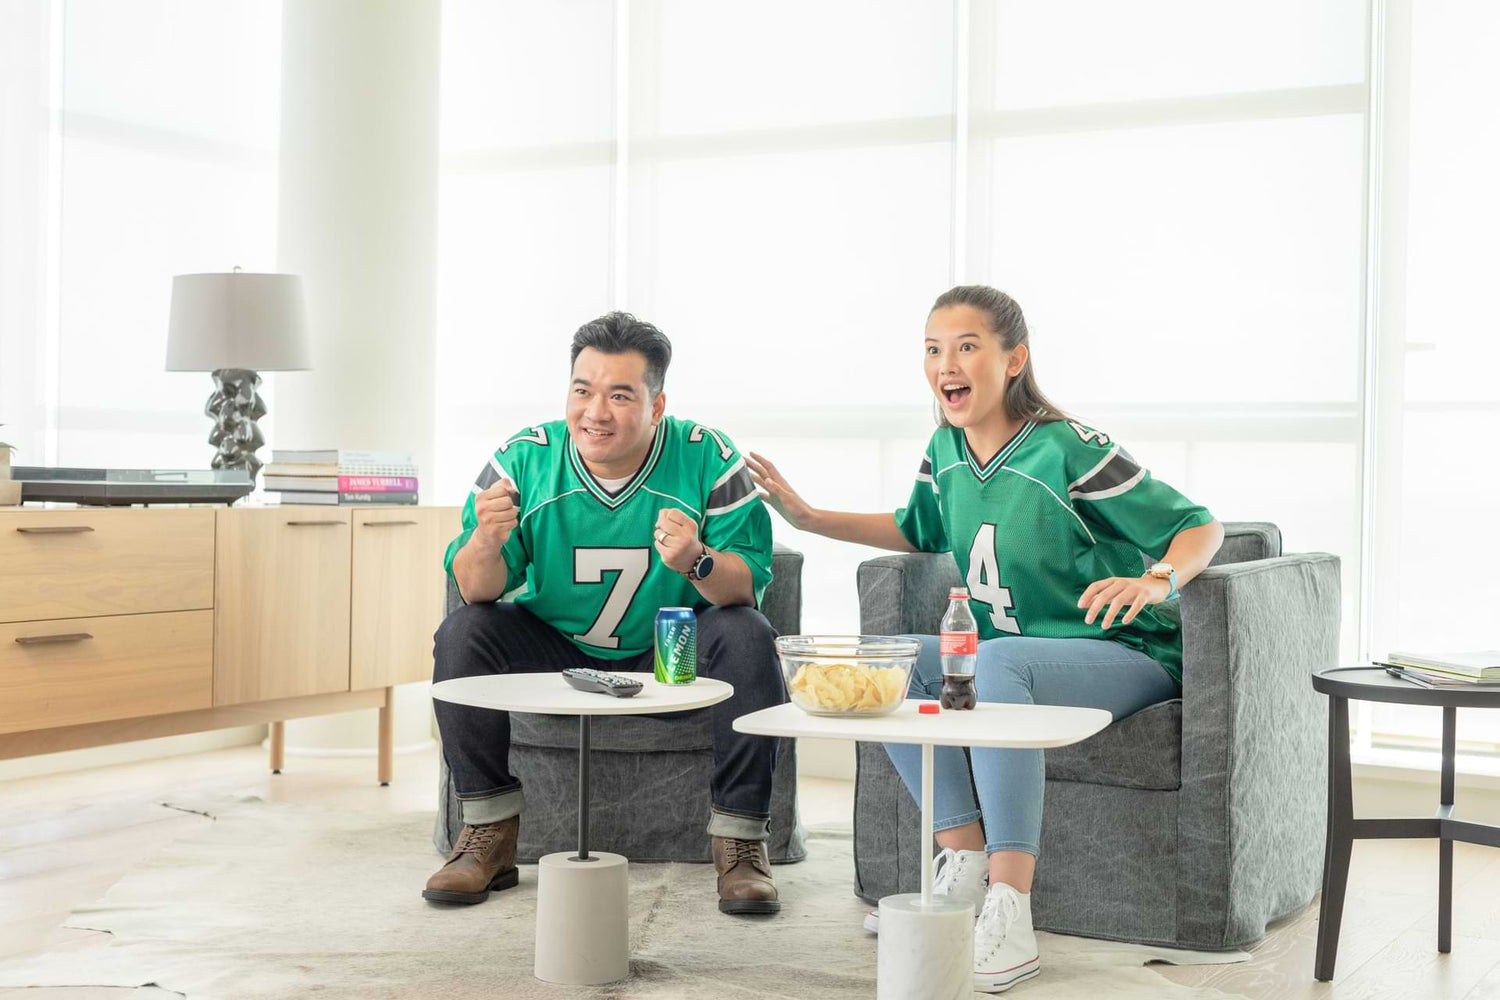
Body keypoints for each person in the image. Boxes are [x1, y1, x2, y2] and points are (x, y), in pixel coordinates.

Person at [748, 285, 1222, 992]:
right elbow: (916, 530)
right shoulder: (945, 447)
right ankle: (962, 859)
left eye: (967, 346)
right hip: (1012, 657)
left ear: (1013, 360)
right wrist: (810, 517)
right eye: (934, 350)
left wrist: (1156, 579)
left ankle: (1012, 904)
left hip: (1128, 657)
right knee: (895, 659)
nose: (948, 363)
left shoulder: (1067, 449)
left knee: (996, 664)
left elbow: (1199, 525)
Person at [426, 311, 785, 916]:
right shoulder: (523, 459)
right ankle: (488, 834)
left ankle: (741, 843)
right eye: (582, 391)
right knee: (463, 632)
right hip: (558, 651)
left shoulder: (706, 456)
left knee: (748, 635)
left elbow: (747, 586)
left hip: (667, 651)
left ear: (656, 405)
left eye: (620, 395)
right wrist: (485, 540)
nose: (596, 412)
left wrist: (697, 559)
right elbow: (475, 588)